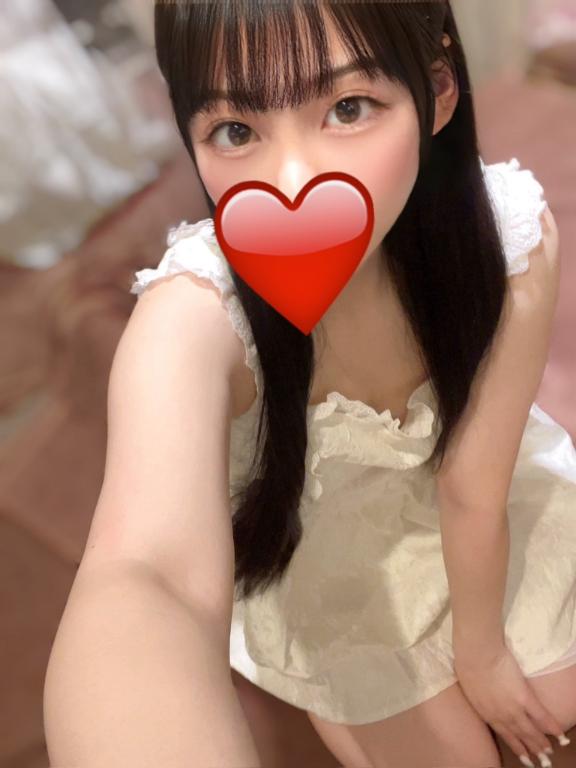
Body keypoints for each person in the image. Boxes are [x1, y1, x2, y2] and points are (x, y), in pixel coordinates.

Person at [130, 2, 576, 767]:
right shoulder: (198, 309)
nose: (293, 180)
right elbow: (139, 570)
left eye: (347, 108)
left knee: (557, 705)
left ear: (438, 91)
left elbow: (473, 485)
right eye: (235, 129)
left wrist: (482, 653)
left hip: (488, 511)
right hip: (329, 558)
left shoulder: (507, 235)